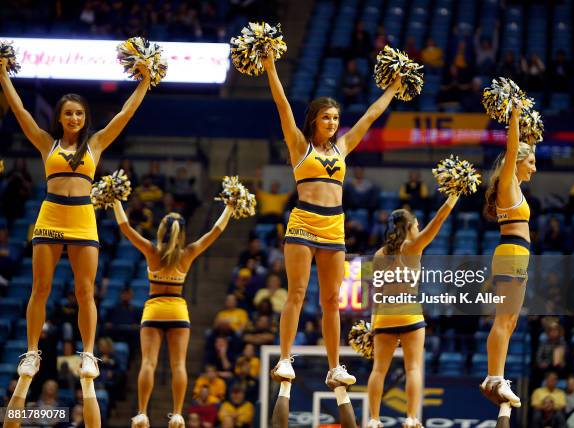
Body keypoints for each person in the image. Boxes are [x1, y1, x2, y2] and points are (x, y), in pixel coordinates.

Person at [0, 54, 151, 428]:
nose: (74, 119)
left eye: (79, 114)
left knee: (85, 291)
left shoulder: (96, 145)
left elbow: (124, 116)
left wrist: (145, 81)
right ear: (60, 117)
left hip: (83, 218)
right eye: (68, 114)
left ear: (85, 119)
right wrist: (2, 73)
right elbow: (18, 108)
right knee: (40, 288)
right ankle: (32, 352)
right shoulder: (44, 142)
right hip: (50, 215)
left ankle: (88, 354)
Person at [262, 45, 402, 385]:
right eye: (326, 117)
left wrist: (394, 89)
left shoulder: (343, 147)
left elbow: (370, 115)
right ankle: (284, 359)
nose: (332, 122)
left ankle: (335, 366)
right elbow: (282, 105)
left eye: (336, 118)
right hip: (303, 223)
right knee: (296, 292)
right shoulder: (300, 145)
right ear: (314, 120)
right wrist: (269, 67)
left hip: (334, 226)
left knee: (331, 300)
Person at [111, 199, 234, 428]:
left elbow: (126, 227)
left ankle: (142, 413)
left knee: (148, 362)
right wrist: (229, 208)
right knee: (179, 365)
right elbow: (215, 231)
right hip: (178, 310)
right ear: (182, 233)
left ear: (161, 230)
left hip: (154, 310)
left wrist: (116, 201)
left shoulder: (150, 250)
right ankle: (177, 414)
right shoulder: (188, 253)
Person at [367, 194, 459, 428]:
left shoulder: (378, 255)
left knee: (378, 370)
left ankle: (374, 419)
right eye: (416, 224)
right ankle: (410, 417)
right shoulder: (413, 248)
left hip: (384, 317)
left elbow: (374, 292)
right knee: (413, 367)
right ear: (409, 227)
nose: (419, 227)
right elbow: (437, 221)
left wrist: (373, 325)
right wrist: (453, 197)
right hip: (409, 313)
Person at [480, 106, 537, 407]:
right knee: (504, 320)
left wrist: (531, 129)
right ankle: (494, 377)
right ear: (516, 162)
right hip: (512, 251)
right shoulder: (507, 181)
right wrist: (515, 116)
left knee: (511, 320)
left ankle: (496, 376)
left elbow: (524, 145)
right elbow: (513, 147)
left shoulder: (514, 185)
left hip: (516, 253)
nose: (534, 167)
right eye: (531, 162)